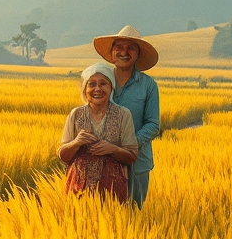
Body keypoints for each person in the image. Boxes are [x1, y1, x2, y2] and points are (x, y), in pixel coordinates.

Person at [92, 26, 160, 208]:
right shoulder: (100, 81)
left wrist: (126, 146)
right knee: (103, 214)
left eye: (131, 48)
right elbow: (88, 114)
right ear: (112, 52)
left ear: (138, 54)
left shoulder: (148, 85)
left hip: (137, 164)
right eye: (119, 47)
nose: (124, 52)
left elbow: (153, 125)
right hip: (102, 162)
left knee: (134, 214)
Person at [58, 62, 138, 203]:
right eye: (92, 84)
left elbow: (131, 156)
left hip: (112, 190)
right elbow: (63, 156)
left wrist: (113, 149)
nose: (97, 89)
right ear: (85, 89)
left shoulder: (123, 114)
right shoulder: (76, 114)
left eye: (103, 84)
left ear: (111, 88)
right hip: (78, 189)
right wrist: (76, 143)